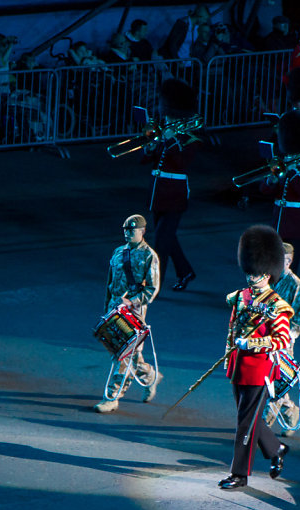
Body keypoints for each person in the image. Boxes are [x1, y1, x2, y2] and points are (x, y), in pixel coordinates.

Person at [218, 225, 293, 490]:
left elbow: (283, 339)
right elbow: (232, 325)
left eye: (258, 273)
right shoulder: (241, 296)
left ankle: (239, 474)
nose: (252, 278)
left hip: (259, 369)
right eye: (250, 272)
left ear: (268, 272)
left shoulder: (277, 305)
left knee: (245, 425)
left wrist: (252, 342)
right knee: (247, 419)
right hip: (238, 366)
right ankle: (276, 448)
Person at [93, 215, 162, 413]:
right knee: (127, 353)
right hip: (115, 310)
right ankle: (149, 376)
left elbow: (152, 288)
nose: (128, 233)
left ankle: (112, 397)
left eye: (132, 230)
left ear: (143, 231)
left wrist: (131, 301)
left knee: (123, 354)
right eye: (126, 229)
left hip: (133, 312)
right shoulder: (118, 252)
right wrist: (107, 308)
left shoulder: (149, 255)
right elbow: (110, 283)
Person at [144, 78, 201, 291]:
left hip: (175, 194)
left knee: (160, 242)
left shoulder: (189, 138)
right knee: (167, 237)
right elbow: (150, 159)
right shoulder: (164, 133)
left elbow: (181, 162)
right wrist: (151, 147)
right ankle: (185, 271)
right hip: (158, 192)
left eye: (168, 115)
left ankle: (154, 285)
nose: (165, 119)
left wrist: (169, 140)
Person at [261, 110, 300, 274]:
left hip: (297, 224)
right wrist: (272, 180)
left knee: (290, 272)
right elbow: (264, 190)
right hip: (279, 222)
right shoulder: (283, 163)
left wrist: (293, 169)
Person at [264, 242, 300, 436]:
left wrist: (284, 339)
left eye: (287, 260)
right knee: (264, 381)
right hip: (262, 339)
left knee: (276, 383)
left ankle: (263, 425)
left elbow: (297, 320)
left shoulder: (296, 286)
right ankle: (291, 411)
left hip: (282, 343)